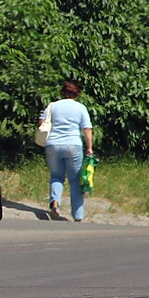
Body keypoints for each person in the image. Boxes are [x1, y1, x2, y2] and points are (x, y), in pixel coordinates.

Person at [39, 80, 94, 221]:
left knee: (56, 176)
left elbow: (41, 123)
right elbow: (87, 129)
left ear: (62, 92)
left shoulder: (53, 106)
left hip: (53, 144)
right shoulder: (81, 108)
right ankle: (78, 215)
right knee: (75, 180)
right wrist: (89, 148)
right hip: (73, 145)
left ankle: (55, 204)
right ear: (77, 94)